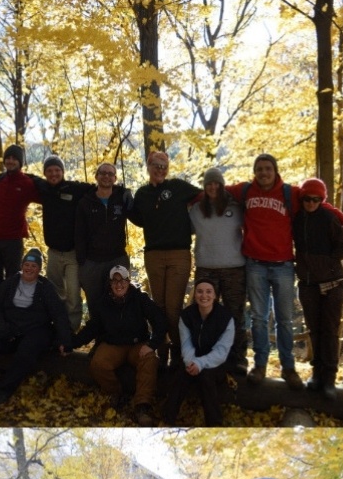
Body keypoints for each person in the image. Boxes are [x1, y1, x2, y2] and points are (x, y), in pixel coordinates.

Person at [226, 155, 343, 389]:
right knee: (259, 319)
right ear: (254, 171)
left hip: (283, 265)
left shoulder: (289, 193)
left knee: (284, 320)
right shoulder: (245, 191)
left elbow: (319, 202)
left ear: (275, 170)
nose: (264, 173)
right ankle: (260, 365)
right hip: (254, 264)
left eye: (268, 169)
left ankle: (288, 368)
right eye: (259, 169)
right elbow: (213, 190)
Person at [128, 151, 202, 361]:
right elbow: (138, 218)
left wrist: (198, 222)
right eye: (156, 166)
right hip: (153, 255)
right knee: (158, 306)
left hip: (179, 254)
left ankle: (179, 351)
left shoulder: (178, 187)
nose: (160, 170)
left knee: (173, 308)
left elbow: (204, 196)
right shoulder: (142, 193)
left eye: (164, 166)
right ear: (149, 167)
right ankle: (161, 348)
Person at [0, 247, 72, 407]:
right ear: (22, 266)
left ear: (39, 269)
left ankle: (5, 390)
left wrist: (65, 340)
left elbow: (58, 314)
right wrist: (2, 329)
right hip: (9, 328)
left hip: (34, 330)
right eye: (27, 264)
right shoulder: (9, 283)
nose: (29, 268)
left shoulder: (45, 287)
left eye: (34, 266)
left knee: (27, 350)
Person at [70, 265, 165, 426]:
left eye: (122, 280)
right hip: (113, 345)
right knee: (98, 364)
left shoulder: (140, 298)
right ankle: (116, 393)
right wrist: (70, 344)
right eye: (115, 280)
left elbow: (160, 321)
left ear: (128, 282)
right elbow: (92, 328)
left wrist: (152, 344)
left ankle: (142, 406)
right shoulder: (103, 303)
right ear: (110, 283)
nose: (118, 284)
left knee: (150, 359)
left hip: (138, 344)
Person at [291, 177, 343, 397]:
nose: (311, 203)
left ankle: (329, 379)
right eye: (307, 199)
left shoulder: (328, 217)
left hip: (333, 284)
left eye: (316, 199)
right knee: (314, 329)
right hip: (307, 284)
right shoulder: (296, 219)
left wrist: (326, 264)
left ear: (321, 200)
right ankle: (317, 373)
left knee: (330, 330)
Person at [188, 168, 248, 370]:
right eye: (209, 184)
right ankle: (206, 356)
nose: (213, 187)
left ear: (222, 186)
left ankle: (237, 358)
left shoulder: (236, 207)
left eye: (216, 183)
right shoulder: (196, 210)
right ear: (204, 187)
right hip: (206, 269)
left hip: (234, 269)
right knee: (204, 314)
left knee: (234, 315)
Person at [163, 276, 236, 426]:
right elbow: (186, 344)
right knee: (180, 376)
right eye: (200, 292)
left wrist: (200, 363)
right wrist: (191, 363)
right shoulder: (187, 316)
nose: (204, 296)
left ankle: (214, 424)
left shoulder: (226, 318)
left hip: (217, 362)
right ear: (195, 295)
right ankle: (167, 420)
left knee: (206, 377)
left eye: (209, 292)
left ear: (215, 295)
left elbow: (221, 351)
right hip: (192, 359)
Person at [36, 156, 93, 329]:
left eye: (57, 170)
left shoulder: (74, 188)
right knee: (53, 294)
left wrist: (120, 191)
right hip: (53, 252)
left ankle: (71, 332)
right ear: (45, 173)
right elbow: (28, 179)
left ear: (62, 172)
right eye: (50, 170)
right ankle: (55, 327)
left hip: (72, 254)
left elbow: (97, 188)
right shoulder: (43, 188)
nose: (54, 174)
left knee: (73, 295)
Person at [75, 162, 134, 312]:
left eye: (110, 174)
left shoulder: (122, 199)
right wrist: (82, 262)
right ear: (96, 176)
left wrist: (130, 199)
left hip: (117, 258)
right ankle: (99, 335)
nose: (106, 176)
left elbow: (138, 218)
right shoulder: (85, 202)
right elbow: (79, 234)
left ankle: (119, 334)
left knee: (120, 300)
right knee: (94, 303)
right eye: (103, 173)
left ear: (115, 178)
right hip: (92, 262)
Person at [0, 145, 40, 289]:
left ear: (20, 162)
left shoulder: (27, 184)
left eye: (14, 159)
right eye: (8, 158)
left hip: (13, 239)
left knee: (12, 278)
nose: (10, 161)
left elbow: (45, 198)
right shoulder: (0, 181)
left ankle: (10, 310)